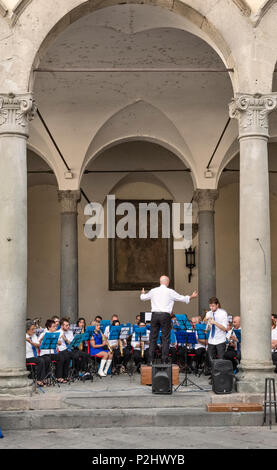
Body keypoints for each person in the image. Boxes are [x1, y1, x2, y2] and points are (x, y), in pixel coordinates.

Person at [140, 275, 198, 365]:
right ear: (167, 282)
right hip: (165, 316)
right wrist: (191, 296)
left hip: (154, 315)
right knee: (166, 338)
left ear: (160, 282)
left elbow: (143, 298)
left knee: (152, 338)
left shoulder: (153, 291)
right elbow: (182, 298)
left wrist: (143, 293)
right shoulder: (170, 291)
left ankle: (150, 360)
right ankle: (164, 360)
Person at [204, 297, 228, 367]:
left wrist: (215, 323)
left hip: (220, 339)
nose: (211, 308)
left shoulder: (223, 313)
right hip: (211, 339)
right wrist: (206, 323)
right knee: (211, 359)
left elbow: (224, 328)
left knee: (221, 360)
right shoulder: (208, 313)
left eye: (213, 306)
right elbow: (208, 327)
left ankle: (221, 376)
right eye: (210, 306)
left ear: (217, 305)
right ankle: (213, 375)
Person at [26, 321, 50, 386]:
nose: (34, 331)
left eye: (34, 329)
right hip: (28, 357)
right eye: (32, 329)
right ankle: (39, 380)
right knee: (40, 360)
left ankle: (45, 378)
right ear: (27, 330)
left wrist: (31, 342)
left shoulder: (34, 336)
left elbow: (39, 346)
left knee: (47, 359)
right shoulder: (24, 336)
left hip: (35, 356)